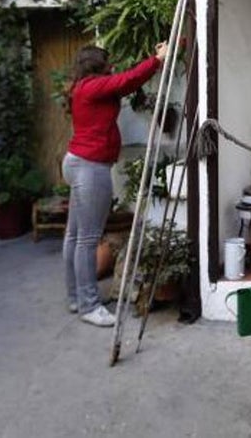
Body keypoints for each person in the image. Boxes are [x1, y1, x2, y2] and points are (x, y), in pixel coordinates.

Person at [63, 43, 167, 327]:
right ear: (98, 65)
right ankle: (88, 305)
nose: (112, 66)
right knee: (87, 238)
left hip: (78, 163)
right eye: (107, 62)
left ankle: (76, 297)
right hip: (90, 168)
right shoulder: (92, 86)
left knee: (74, 236)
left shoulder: (83, 86)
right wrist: (157, 60)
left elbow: (120, 82)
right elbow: (127, 81)